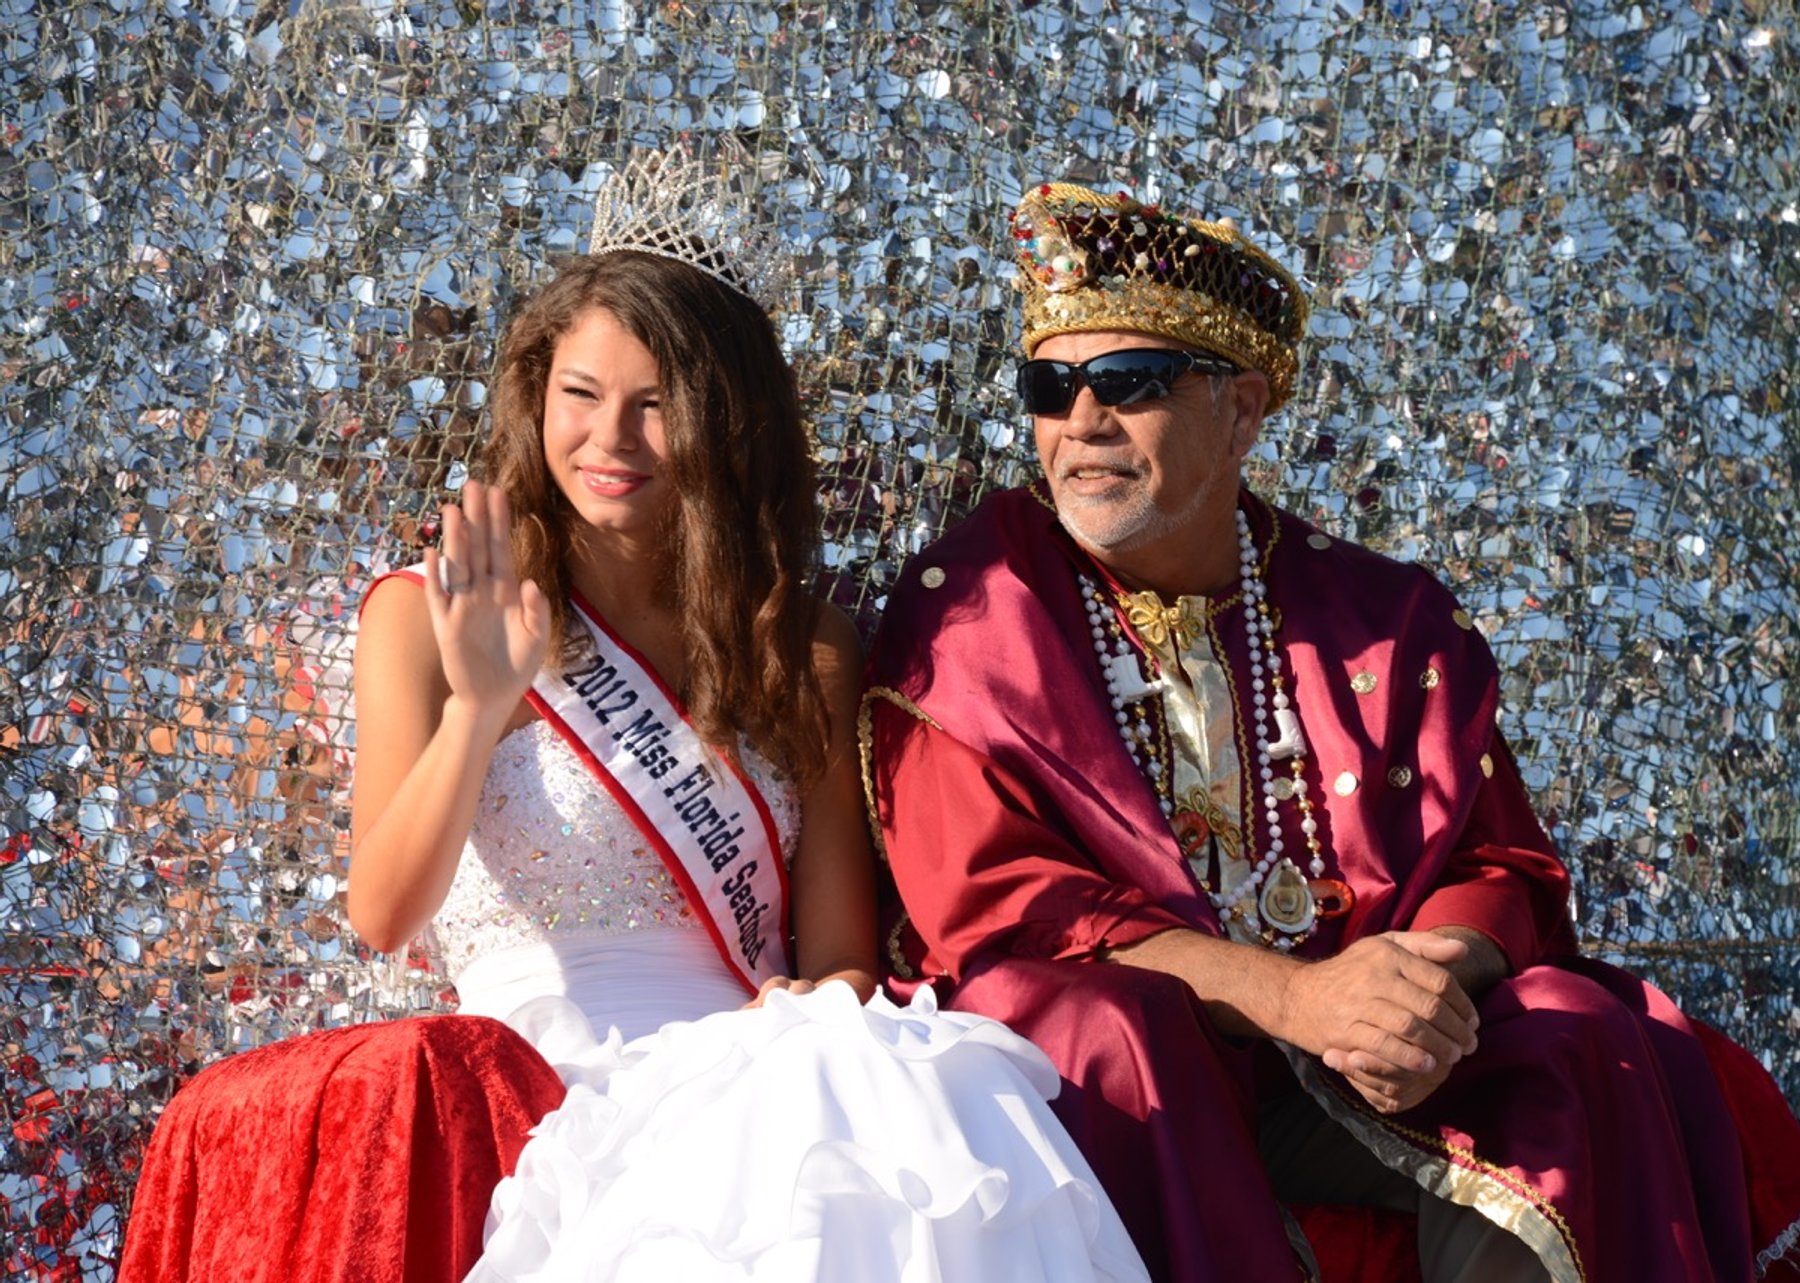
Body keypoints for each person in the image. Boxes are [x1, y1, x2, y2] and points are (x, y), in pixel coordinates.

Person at [121, 153, 1148, 1283]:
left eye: (656, 406)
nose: (610, 440)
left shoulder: (801, 643)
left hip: (750, 1064)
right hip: (542, 1063)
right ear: (535, 392)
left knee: (902, 1087)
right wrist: (481, 704)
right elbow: (381, 910)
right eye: (581, 395)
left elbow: (843, 953)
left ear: (726, 421)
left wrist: (820, 1009)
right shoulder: (426, 614)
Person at [861, 179, 1800, 1283]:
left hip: (1368, 1061)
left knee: (1575, 1025)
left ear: (1241, 411)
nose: (1081, 424)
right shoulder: (970, 612)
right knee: (1105, 1025)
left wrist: (1421, 992)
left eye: (1128, 383)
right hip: (1145, 1058)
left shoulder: (1381, 617)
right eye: (1051, 387)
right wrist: (1299, 998)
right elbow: (1004, 910)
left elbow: (1498, 862)